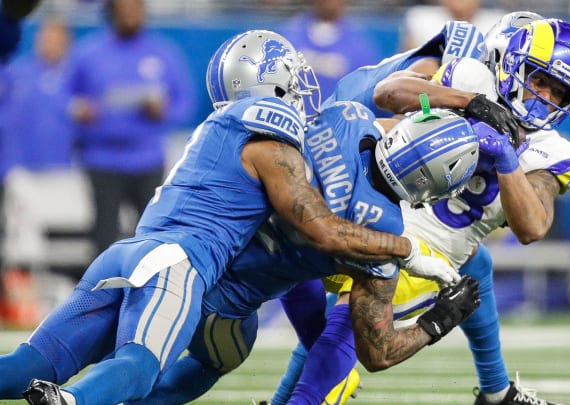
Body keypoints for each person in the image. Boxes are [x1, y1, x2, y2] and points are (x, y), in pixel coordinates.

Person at [2, 29, 464, 405]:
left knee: (34, 365)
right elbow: (319, 227)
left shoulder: (289, 124)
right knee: (141, 364)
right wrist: (406, 251)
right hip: (179, 264)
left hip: (140, 256)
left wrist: (431, 315)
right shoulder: (269, 128)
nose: (304, 91)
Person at [274, 15, 570, 405]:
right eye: (540, 80)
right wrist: (464, 102)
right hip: (375, 205)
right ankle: (497, 393)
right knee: (295, 256)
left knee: (354, 312)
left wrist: (506, 157)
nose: (545, 97)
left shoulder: (554, 151)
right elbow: (389, 94)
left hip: (426, 252)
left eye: (560, 93)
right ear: (513, 65)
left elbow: (532, 227)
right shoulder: (471, 79)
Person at [66, 0, 196, 256]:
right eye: (123, 8)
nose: (129, 14)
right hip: (102, 160)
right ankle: (104, 294)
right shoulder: (88, 53)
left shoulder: (163, 53)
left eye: (135, 8)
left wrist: (163, 110)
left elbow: (186, 103)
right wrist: (79, 109)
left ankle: (148, 292)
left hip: (146, 160)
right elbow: (64, 99)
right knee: (104, 235)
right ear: (111, 12)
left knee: (151, 235)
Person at [1, 16, 80, 327]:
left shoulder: (76, 78)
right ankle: (23, 301)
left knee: (64, 245)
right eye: (46, 37)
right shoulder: (16, 75)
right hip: (22, 175)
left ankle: (57, 299)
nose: (50, 44)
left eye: (57, 38)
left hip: (65, 176)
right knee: (21, 242)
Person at [280, 0, 381, 100]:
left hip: (338, 114)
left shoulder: (359, 44)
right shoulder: (290, 35)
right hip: (296, 112)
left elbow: (365, 90)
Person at [400, 0, 506, 51]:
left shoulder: (499, 23)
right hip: (430, 93)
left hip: (484, 93)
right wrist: (424, 96)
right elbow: (408, 76)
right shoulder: (421, 19)